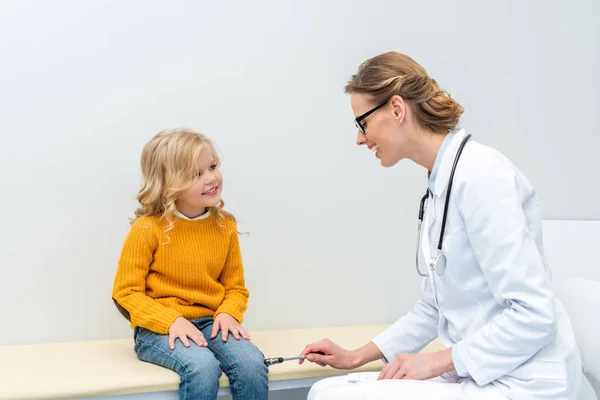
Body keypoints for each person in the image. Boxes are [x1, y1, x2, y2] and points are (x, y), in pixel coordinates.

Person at [300, 52, 589, 400]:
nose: (360, 139)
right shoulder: (443, 183)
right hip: (483, 372)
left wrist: (438, 362)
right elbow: (434, 307)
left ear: (396, 109)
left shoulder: (482, 177)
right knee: (328, 388)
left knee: (332, 397)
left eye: (361, 123)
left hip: (529, 380)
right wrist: (356, 356)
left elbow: (535, 315)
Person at [112, 129, 268, 400]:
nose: (211, 178)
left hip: (211, 322)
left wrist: (227, 313)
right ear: (168, 185)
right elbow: (125, 293)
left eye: (212, 166)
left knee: (252, 364)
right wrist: (171, 320)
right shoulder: (147, 229)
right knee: (202, 367)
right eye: (196, 174)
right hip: (159, 328)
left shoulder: (224, 226)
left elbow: (235, 288)